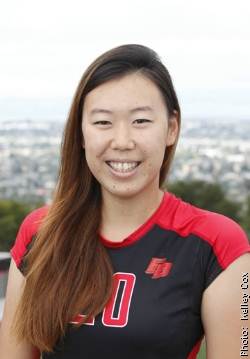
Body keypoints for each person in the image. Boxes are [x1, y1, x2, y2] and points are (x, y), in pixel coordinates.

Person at [0, 44, 249, 359]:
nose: (122, 141)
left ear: (171, 128)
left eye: (141, 121)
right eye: (103, 122)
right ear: (81, 133)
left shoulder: (217, 243)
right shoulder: (40, 233)